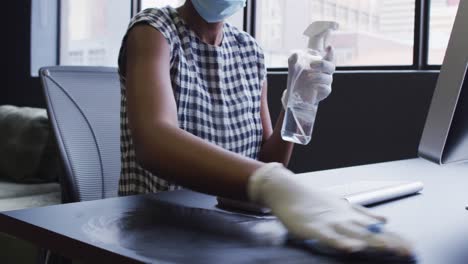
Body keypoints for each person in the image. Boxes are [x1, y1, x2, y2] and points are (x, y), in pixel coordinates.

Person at [117, 0, 413, 257]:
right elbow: (153, 141)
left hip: (224, 229)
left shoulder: (249, 51)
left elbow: (268, 161)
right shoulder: (153, 31)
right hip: (158, 230)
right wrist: (274, 183)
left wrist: (297, 100)